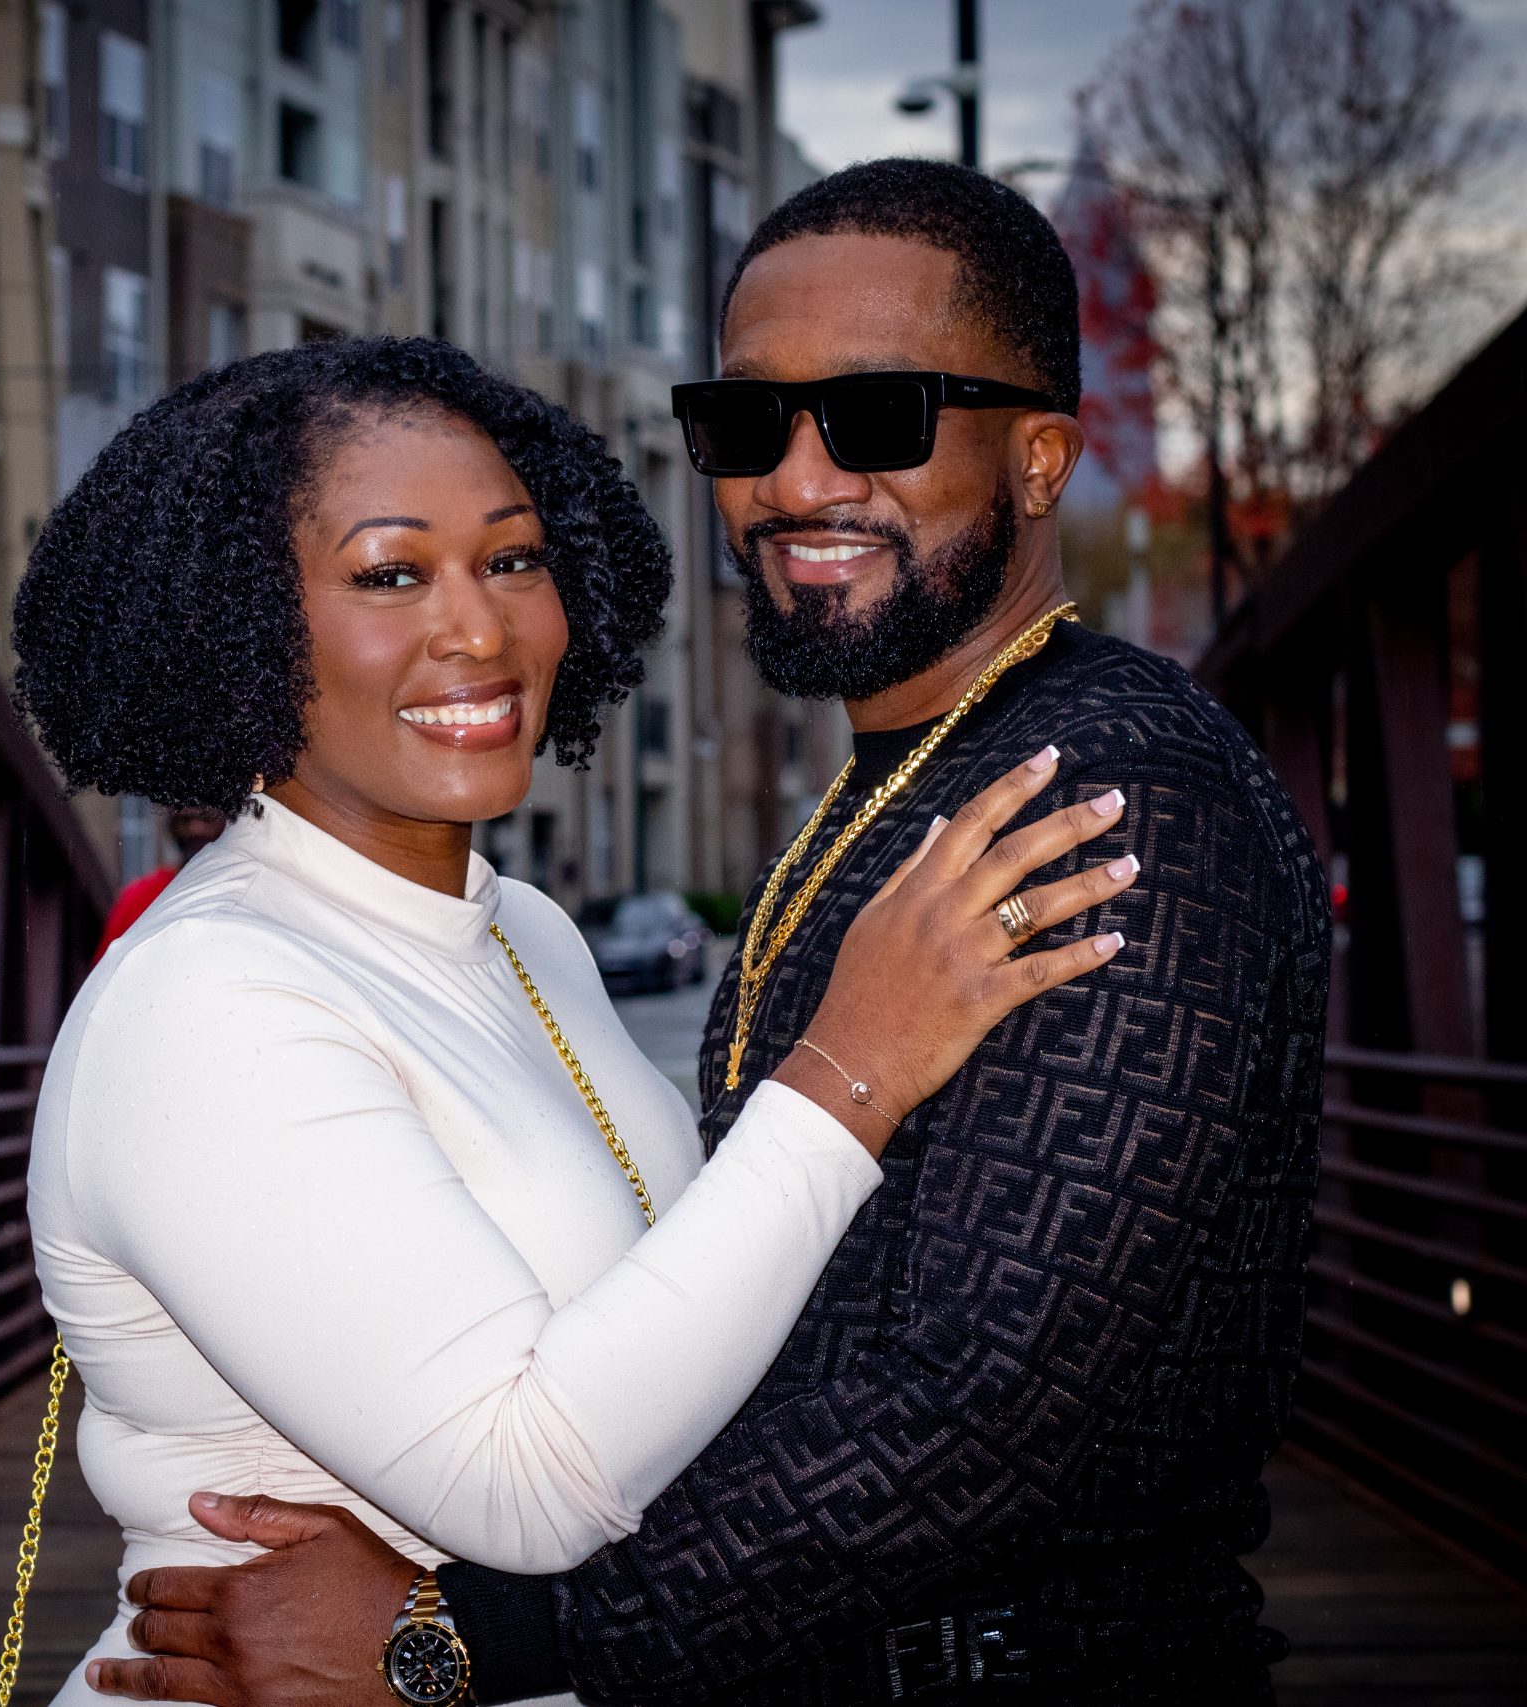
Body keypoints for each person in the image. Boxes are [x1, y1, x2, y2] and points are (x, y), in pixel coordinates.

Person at [91, 160, 1328, 1705]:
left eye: (875, 415)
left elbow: (983, 1400)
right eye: (748, 424)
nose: (796, 482)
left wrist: (467, 1634)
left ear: (1038, 457)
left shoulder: (1105, 793)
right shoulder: (898, 788)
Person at [93, 806, 228, 964]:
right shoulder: (139, 895)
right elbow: (106, 966)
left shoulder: (241, 893)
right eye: (186, 820)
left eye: (207, 819)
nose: (195, 829)